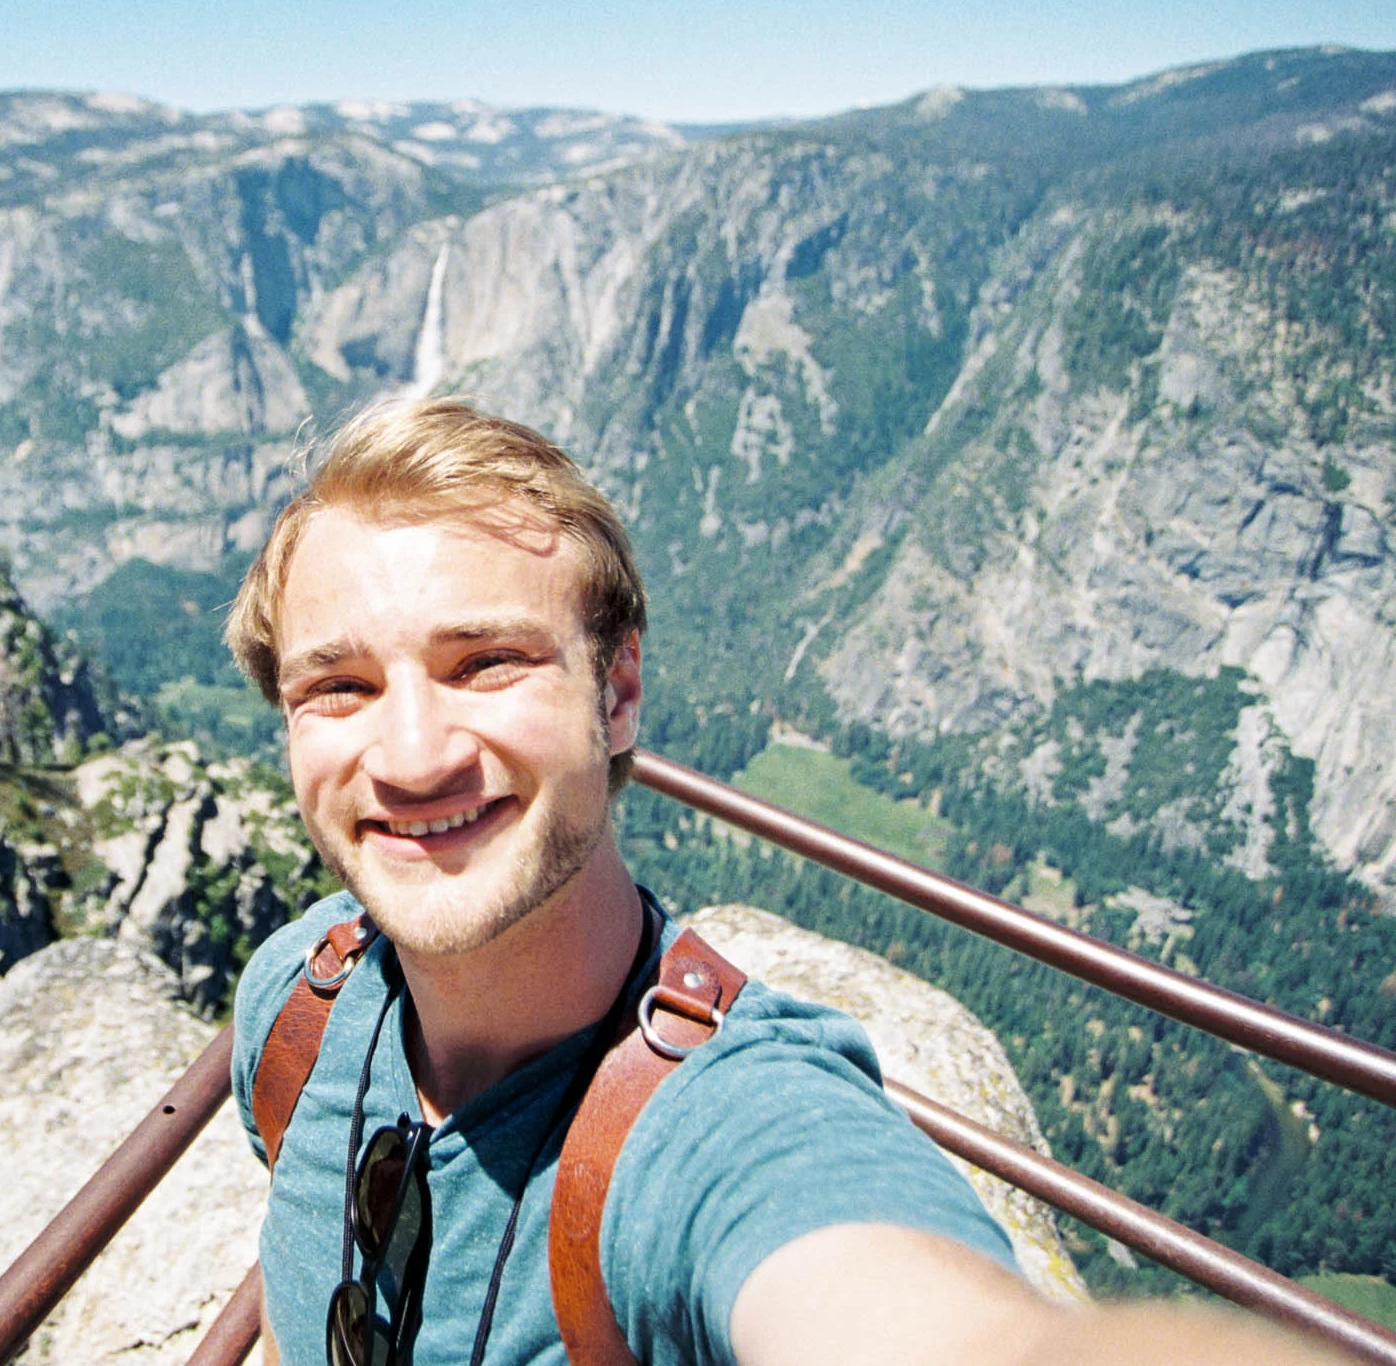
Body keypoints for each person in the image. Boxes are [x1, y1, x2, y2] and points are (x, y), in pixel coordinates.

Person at [224, 400, 1344, 1366]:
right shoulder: (295, 1006)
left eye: (487, 663)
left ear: (617, 696)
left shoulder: (724, 1127)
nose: (414, 755)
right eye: (339, 686)